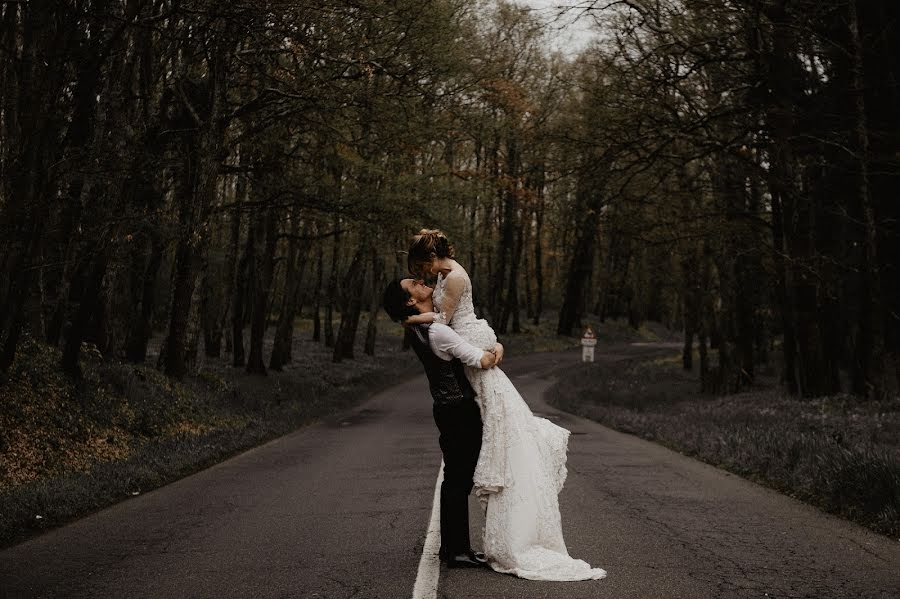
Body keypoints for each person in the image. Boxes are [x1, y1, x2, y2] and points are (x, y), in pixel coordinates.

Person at [404, 229, 607, 582]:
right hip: (467, 357)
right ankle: (458, 546)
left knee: (493, 438)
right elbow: (444, 330)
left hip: (469, 351)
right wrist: (489, 349)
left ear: (431, 257)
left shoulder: (453, 279)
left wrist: (490, 348)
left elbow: (442, 323)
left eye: (421, 265)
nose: (421, 274)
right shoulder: (444, 278)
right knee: (477, 452)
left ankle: (463, 544)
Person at [382, 277, 503, 569]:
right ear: (410, 300)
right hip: (460, 410)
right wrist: (497, 349)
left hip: (445, 408)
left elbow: (440, 316)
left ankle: (451, 548)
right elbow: (479, 359)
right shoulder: (437, 331)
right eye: (413, 283)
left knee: (454, 478)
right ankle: (458, 551)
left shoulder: (420, 327)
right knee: (460, 481)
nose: (420, 280)